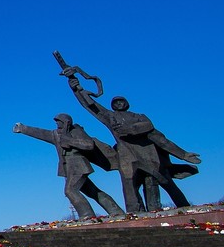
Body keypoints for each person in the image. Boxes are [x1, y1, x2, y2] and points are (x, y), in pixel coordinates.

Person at [66, 74, 199, 212]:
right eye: (115, 102)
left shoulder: (139, 117)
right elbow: (91, 106)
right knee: (130, 186)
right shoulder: (111, 117)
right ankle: (135, 213)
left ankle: (179, 208)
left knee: (160, 182)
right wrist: (76, 88)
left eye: (121, 101)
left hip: (148, 155)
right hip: (127, 157)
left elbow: (161, 139)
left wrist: (183, 154)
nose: (118, 104)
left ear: (127, 103)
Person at [13, 114, 124, 218]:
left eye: (59, 122)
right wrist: (23, 129)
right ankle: (116, 211)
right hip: (68, 166)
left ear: (66, 122)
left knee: (70, 190)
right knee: (93, 191)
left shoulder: (76, 131)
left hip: (78, 164)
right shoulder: (56, 134)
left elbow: (89, 145)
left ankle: (87, 215)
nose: (57, 124)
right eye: (56, 122)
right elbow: (41, 133)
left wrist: (69, 141)